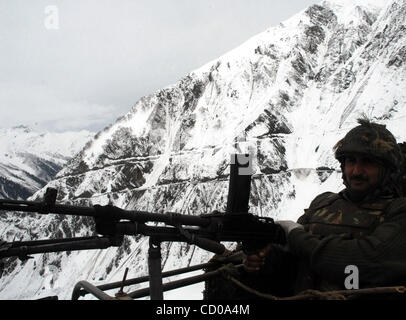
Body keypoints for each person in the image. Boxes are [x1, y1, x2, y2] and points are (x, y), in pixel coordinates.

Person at [206, 119, 406, 299]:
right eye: (351, 161)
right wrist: (262, 258)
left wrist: (295, 235)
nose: (356, 171)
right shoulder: (323, 203)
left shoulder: (398, 211)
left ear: (387, 169)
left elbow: (361, 260)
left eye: (368, 163)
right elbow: (291, 259)